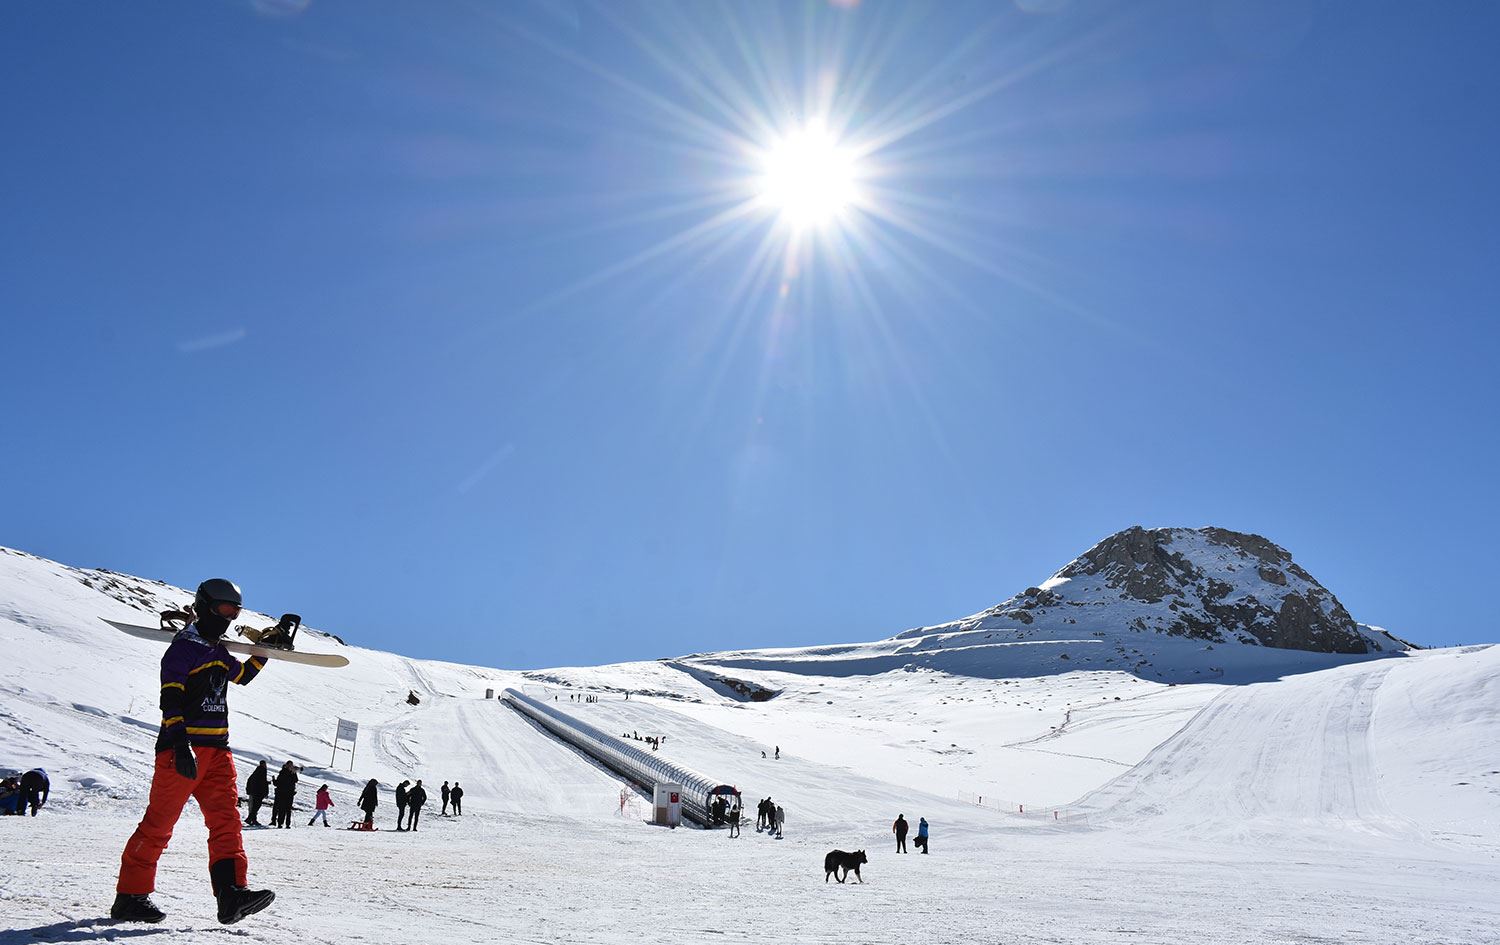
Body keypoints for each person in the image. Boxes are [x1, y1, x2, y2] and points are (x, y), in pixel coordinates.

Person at [112, 578, 276, 925]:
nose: (228, 617)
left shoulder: (218, 651)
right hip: (181, 749)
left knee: (227, 822)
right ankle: (130, 896)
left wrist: (266, 651)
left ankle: (231, 893)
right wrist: (180, 742)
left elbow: (242, 676)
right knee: (159, 824)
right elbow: (169, 696)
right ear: (203, 606)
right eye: (223, 609)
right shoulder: (182, 649)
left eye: (235, 611)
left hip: (218, 750)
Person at [271, 761, 298, 829]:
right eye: (289, 765)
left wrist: (274, 780)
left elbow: (295, 780)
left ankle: (285, 823)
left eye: (291, 765)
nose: (290, 767)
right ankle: (282, 823)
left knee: (285, 809)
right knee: (284, 809)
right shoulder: (284, 772)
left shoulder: (288, 772)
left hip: (286, 793)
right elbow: (278, 783)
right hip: (284, 793)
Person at [244, 761, 269, 826]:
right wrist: (265, 791)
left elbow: (250, 780)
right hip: (259, 792)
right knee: (256, 806)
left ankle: (253, 820)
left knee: (254, 806)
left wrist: (249, 789)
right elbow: (263, 782)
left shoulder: (256, 771)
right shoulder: (263, 771)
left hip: (254, 791)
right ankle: (250, 819)